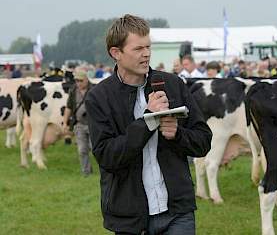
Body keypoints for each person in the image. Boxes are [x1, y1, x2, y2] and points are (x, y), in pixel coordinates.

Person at [85, 14, 212, 235]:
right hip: (130, 218)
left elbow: (203, 141)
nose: (146, 54)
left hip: (177, 213)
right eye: (138, 49)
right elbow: (107, 157)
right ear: (116, 53)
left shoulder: (173, 85)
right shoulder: (99, 97)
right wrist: (148, 120)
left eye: (148, 47)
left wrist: (178, 135)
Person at [63, 67, 94, 176]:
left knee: (94, 148)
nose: (78, 83)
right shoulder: (73, 90)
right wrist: (65, 122)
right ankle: (86, 172)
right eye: (76, 81)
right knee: (82, 149)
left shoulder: (94, 89)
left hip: (93, 124)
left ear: (86, 79)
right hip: (79, 124)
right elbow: (68, 107)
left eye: (81, 80)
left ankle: (105, 170)